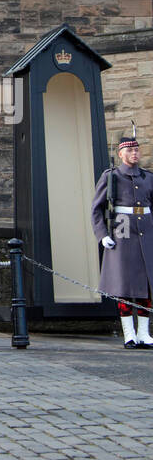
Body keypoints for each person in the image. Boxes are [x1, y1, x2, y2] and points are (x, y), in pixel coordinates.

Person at [91, 130, 153, 347]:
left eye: (136, 149)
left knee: (146, 287)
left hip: (147, 235)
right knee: (124, 287)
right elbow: (96, 209)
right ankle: (129, 334)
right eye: (130, 150)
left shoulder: (148, 177)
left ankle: (144, 333)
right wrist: (102, 235)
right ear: (121, 154)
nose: (135, 153)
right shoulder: (111, 176)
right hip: (123, 233)